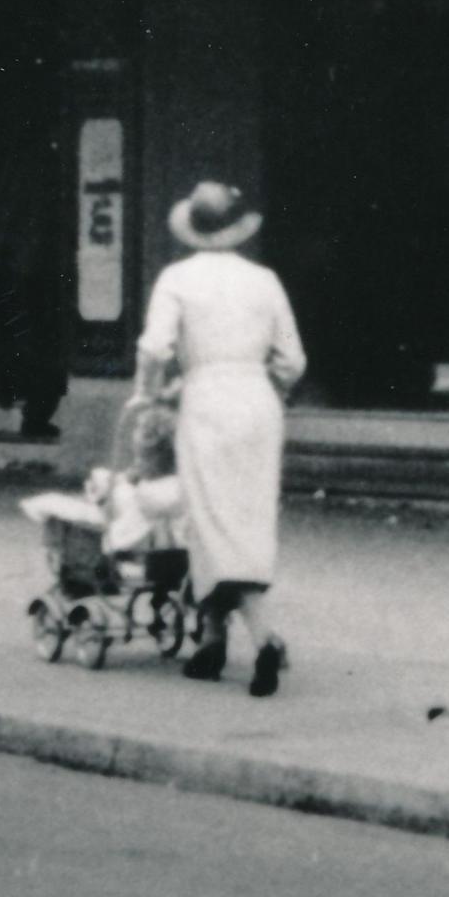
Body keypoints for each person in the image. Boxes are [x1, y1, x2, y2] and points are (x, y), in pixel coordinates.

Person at [138, 184, 306, 694]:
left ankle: (263, 639)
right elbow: (293, 360)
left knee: (210, 521)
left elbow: (154, 347)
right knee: (248, 521)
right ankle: (210, 639)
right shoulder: (265, 280)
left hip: (206, 400)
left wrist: (150, 394)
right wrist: (269, 384)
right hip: (257, 402)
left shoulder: (177, 279)